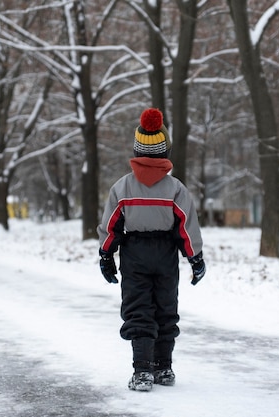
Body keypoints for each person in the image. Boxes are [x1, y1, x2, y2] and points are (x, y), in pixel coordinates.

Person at [97, 108, 206, 392]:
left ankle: (142, 371)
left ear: (136, 148)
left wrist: (106, 255)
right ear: (164, 150)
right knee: (165, 308)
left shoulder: (122, 188)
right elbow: (186, 227)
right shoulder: (176, 189)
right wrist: (195, 258)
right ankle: (164, 367)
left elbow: (111, 226)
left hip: (134, 255)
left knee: (139, 309)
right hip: (166, 254)